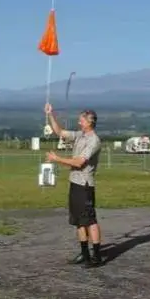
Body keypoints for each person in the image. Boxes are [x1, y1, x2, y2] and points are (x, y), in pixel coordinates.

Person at [44, 102, 103, 268]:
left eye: (81, 121)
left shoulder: (94, 141)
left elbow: (78, 162)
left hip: (85, 185)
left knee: (90, 220)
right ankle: (85, 255)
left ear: (89, 122)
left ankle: (97, 256)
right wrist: (50, 114)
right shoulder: (80, 135)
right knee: (78, 221)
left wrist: (57, 159)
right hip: (74, 183)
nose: (79, 123)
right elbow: (60, 132)